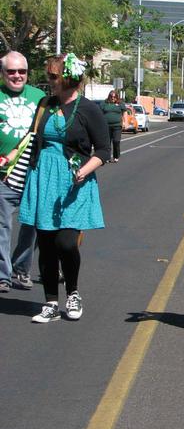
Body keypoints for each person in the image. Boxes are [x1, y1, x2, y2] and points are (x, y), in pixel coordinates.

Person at [19, 54, 110, 323]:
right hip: (43, 176)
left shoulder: (88, 109)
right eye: (48, 76)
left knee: (66, 242)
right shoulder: (44, 105)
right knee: (46, 245)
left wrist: (84, 169)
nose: (49, 82)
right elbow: (31, 139)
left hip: (74, 181)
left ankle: (72, 293)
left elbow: (104, 150)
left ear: (68, 78)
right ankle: (49, 302)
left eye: (53, 76)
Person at [0, 51, 45, 293]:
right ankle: (2, 276)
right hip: (3, 176)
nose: (17, 76)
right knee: (2, 227)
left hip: (32, 175)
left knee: (31, 225)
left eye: (22, 71)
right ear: (3, 73)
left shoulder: (40, 97)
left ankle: (21, 268)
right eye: (11, 71)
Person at [99, 90, 126, 163]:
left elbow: (124, 113)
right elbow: (100, 113)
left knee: (116, 141)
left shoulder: (120, 104)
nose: (113, 98)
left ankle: (116, 156)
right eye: (111, 96)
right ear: (109, 96)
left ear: (117, 97)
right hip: (106, 126)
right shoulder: (104, 103)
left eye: (114, 97)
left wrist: (124, 122)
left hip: (117, 126)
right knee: (107, 142)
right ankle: (107, 157)